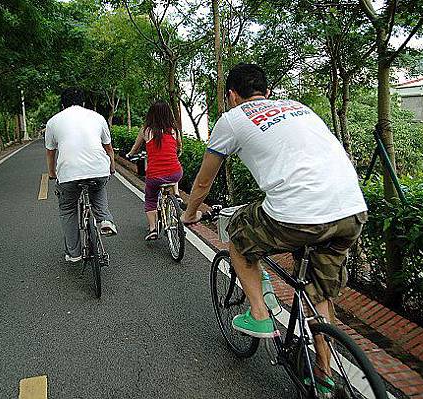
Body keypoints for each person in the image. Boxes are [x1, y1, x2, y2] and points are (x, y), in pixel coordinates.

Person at [181, 64, 367, 394]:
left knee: (239, 237)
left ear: (232, 95)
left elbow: (204, 179)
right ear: (266, 92)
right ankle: (324, 374)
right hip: (350, 210)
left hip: (298, 214)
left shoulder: (232, 119)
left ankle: (258, 313)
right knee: (318, 294)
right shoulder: (299, 107)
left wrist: (191, 212)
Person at [45, 88, 118, 262]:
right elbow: (108, 148)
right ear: (83, 103)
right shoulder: (97, 117)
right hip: (99, 168)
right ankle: (105, 220)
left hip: (69, 173)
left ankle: (74, 253)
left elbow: (50, 152)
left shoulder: (53, 121)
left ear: (62, 105)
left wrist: (51, 173)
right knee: (98, 188)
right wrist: (111, 168)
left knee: (68, 209)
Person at [126, 101, 183, 240]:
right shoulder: (173, 130)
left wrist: (129, 155)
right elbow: (179, 146)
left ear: (151, 115)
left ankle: (153, 229)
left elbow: (135, 148)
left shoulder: (146, 130)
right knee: (173, 170)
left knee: (151, 198)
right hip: (175, 173)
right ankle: (175, 195)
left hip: (155, 176)